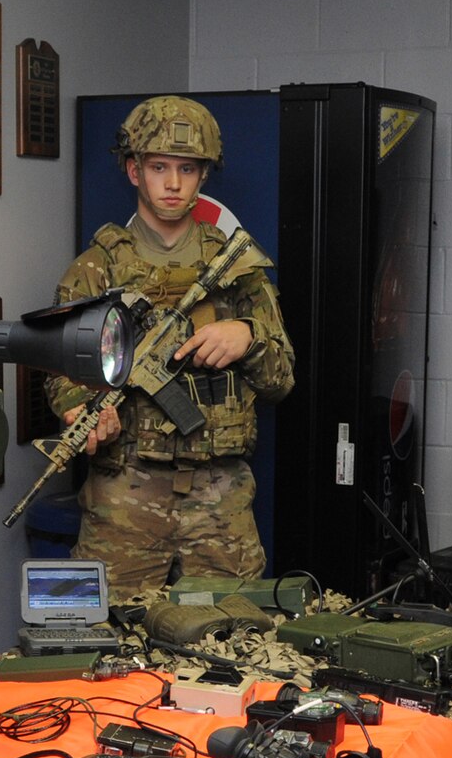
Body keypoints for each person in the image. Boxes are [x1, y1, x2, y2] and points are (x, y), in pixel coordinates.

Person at [45, 95, 293, 598]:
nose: (174, 183)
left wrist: (247, 337)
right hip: (123, 501)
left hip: (219, 503)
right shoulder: (96, 269)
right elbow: (58, 370)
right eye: (159, 166)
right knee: (104, 640)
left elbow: (281, 380)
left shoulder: (238, 268)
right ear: (134, 170)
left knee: (230, 643)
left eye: (187, 168)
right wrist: (81, 408)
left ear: (205, 175)